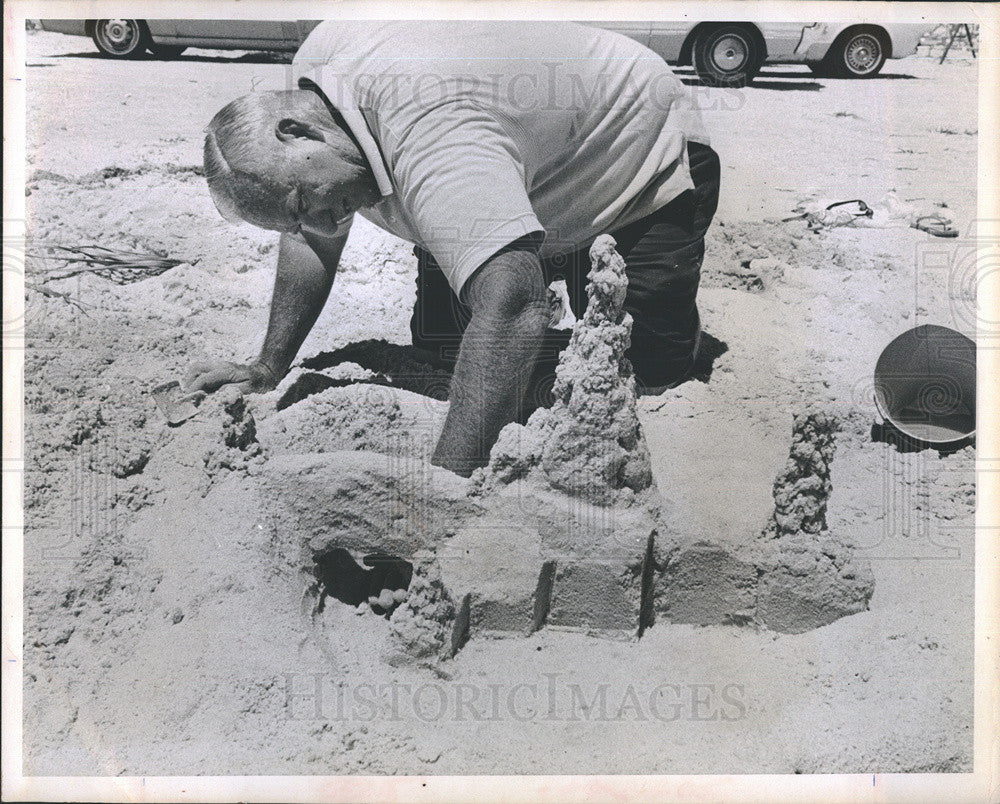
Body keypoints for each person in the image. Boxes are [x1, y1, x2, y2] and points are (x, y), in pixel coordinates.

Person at [188, 21, 720, 477]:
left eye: (304, 199)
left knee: (642, 369)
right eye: (295, 216)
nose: (321, 222)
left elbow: (515, 306)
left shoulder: (428, 130)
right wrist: (267, 365)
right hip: (512, 164)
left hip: (632, 156)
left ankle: (571, 278)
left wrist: (444, 488)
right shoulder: (314, 83)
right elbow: (312, 238)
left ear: (296, 130)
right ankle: (520, 247)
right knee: (440, 344)